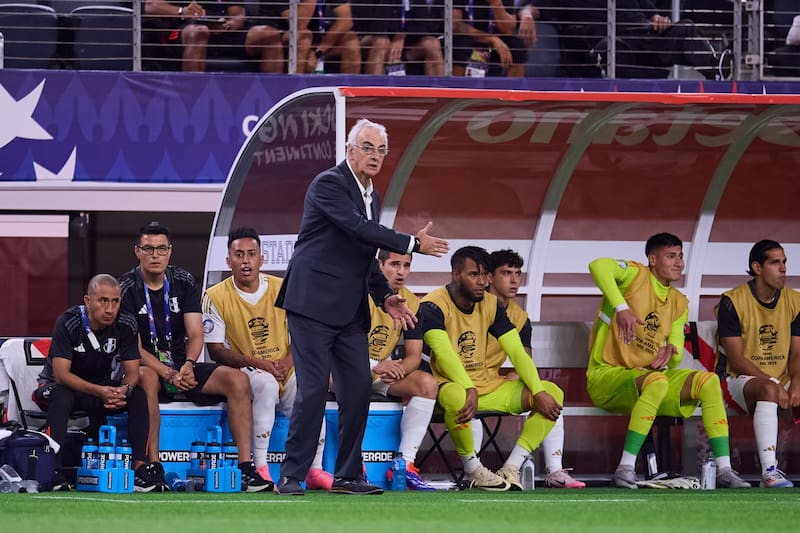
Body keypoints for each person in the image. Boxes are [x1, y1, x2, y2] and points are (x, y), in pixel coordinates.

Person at [274, 118, 449, 496]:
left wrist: (384, 296)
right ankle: (291, 475)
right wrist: (412, 244)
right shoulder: (329, 183)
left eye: (381, 150)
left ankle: (348, 475)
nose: (374, 156)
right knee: (313, 390)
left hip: (350, 310)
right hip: (312, 303)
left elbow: (365, 253)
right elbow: (358, 228)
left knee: (356, 389)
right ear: (349, 150)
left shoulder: (373, 195)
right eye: (367, 148)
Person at [587, 232, 750, 489]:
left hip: (648, 380)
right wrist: (622, 308)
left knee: (708, 381)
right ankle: (625, 468)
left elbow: (674, 352)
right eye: (671, 256)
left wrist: (671, 351)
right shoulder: (635, 275)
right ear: (652, 259)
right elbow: (597, 265)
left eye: (680, 256)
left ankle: (724, 469)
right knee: (657, 381)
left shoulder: (678, 302)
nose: (679, 263)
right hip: (606, 377)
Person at [118, 222, 272, 492]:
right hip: (149, 367)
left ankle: (246, 468)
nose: (155, 255)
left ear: (170, 251)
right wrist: (168, 374)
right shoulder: (126, 287)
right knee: (145, 376)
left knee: (237, 380)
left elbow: (196, 333)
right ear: (137, 251)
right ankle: (152, 467)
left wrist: (188, 365)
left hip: (182, 366)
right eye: (148, 249)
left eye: (161, 249)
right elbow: (134, 348)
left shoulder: (183, 280)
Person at [419, 246, 563, 491]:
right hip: (449, 388)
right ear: (455, 275)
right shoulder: (432, 305)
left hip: (486, 387)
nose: (482, 282)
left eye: (485, 275)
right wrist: (468, 387)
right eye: (474, 274)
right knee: (458, 396)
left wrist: (538, 391)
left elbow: (516, 351)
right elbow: (444, 354)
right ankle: (473, 469)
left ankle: (512, 467)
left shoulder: (491, 304)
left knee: (552, 392)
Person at [202, 227, 333, 490]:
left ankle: (315, 470)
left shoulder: (282, 288)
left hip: (285, 364)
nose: (246, 261)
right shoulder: (214, 296)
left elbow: (304, 331)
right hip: (248, 367)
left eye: (252, 254)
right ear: (228, 260)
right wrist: (260, 364)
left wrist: (288, 362)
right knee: (266, 384)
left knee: (311, 387)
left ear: (262, 258)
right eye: (239, 255)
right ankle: (260, 467)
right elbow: (216, 350)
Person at [33, 274, 150, 491]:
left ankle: (140, 469)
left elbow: (133, 372)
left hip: (100, 389)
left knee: (138, 395)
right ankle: (53, 469)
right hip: (59, 387)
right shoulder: (68, 322)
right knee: (62, 395)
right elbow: (61, 375)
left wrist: (123, 390)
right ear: (88, 301)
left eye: (115, 301)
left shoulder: (126, 323)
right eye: (103, 301)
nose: (110, 309)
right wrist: (100, 391)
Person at [484, 249, 585, 489]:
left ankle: (540, 469)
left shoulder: (520, 317)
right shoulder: (475, 305)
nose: (514, 280)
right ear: (489, 277)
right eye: (506, 273)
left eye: (517, 273)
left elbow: (525, 359)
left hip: (494, 386)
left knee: (549, 394)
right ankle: (473, 471)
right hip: (462, 386)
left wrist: (516, 375)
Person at [716, 240, 799, 488]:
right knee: (768, 389)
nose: (783, 268)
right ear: (757, 267)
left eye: (784, 262)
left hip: (781, 380)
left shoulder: (795, 301)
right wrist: (774, 382)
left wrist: (796, 382)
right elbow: (736, 359)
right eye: (775, 262)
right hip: (739, 380)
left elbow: (797, 353)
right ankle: (770, 472)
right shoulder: (732, 300)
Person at [366, 249, 438, 490]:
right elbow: (340, 348)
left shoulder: (412, 302)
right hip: (346, 370)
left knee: (427, 384)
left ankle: (404, 464)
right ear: (379, 265)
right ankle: (354, 464)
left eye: (406, 266)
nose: (401, 272)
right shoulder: (358, 292)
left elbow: (414, 355)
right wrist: (375, 366)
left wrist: (397, 369)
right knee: (352, 379)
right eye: (394, 264)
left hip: (383, 372)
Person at [559, 0, 723, 79]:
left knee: (685, 26)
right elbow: (543, 10)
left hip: (646, 37)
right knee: (612, 47)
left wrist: (659, 19)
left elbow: (653, 15)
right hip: (614, 43)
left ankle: (717, 71)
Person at [143, 0, 291, 72]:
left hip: (222, 30)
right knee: (199, 31)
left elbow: (238, 14)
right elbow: (151, 6)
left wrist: (228, 25)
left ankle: (271, 103)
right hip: (185, 29)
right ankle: (193, 99)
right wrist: (182, 11)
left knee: (268, 34)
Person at [452, 1, 538, 77]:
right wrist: (491, 39)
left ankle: (511, 89)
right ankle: (456, 88)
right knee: (461, 44)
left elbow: (508, 30)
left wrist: (496, 3)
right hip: (468, 36)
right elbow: (456, 25)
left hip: (494, 39)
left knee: (516, 47)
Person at [308, 0, 361, 74]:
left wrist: (319, 51)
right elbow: (300, 25)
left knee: (351, 41)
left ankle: (350, 81)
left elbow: (346, 21)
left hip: (324, 40)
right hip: (303, 37)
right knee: (304, 39)